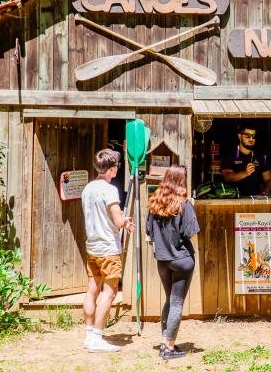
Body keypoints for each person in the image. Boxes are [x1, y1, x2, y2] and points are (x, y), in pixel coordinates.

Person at [82, 148, 135, 353]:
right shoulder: (109, 189)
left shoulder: (88, 188)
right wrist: (125, 221)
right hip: (108, 247)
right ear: (112, 169)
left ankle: (89, 334)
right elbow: (117, 220)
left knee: (92, 288)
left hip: (92, 246)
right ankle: (97, 337)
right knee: (110, 292)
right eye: (116, 167)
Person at [146, 165, 200, 360]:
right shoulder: (184, 205)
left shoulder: (154, 204)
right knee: (177, 303)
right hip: (182, 260)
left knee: (170, 301)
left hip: (162, 260)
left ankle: (165, 341)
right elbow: (191, 234)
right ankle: (168, 348)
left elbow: (149, 233)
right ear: (181, 181)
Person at [221, 124, 271, 196]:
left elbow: (268, 179)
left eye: (253, 136)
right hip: (234, 198)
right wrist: (245, 173)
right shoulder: (230, 154)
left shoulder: (261, 156)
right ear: (240, 136)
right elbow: (228, 177)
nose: (251, 139)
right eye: (248, 136)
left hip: (255, 199)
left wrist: (267, 189)